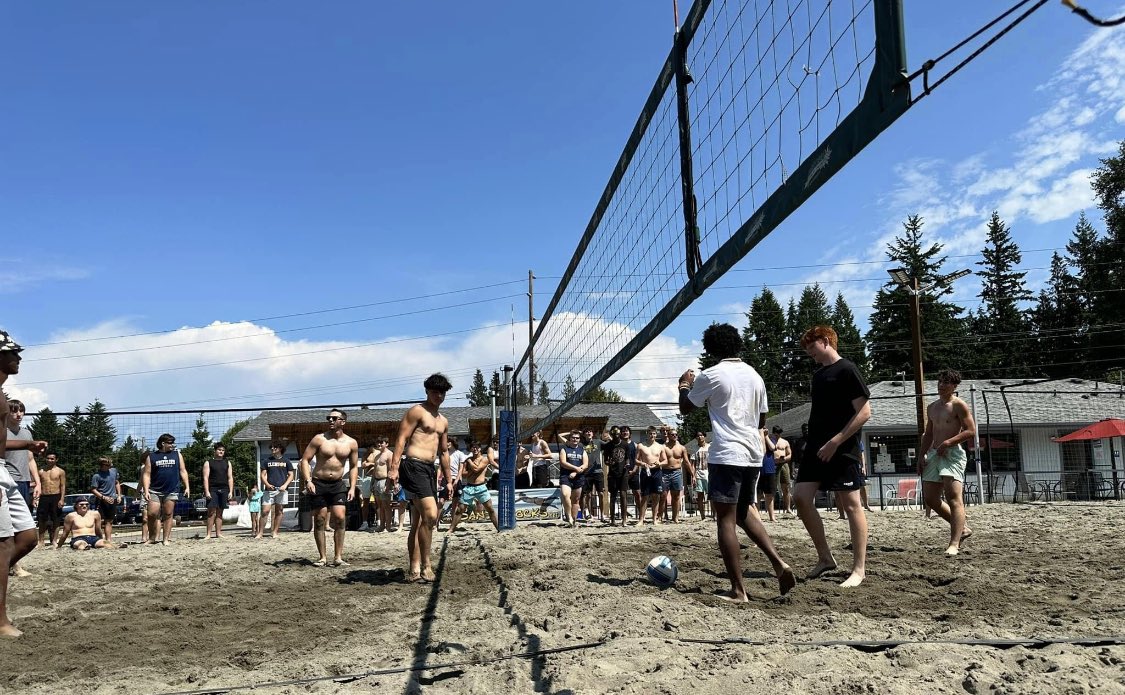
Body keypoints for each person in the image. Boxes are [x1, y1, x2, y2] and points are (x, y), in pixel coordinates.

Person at [679, 323, 794, 600]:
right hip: (752, 453)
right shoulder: (755, 376)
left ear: (710, 349)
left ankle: (738, 591)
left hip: (727, 453)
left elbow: (685, 408)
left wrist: (683, 385)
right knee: (742, 512)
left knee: (725, 520)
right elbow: (762, 419)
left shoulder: (711, 375)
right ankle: (779, 563)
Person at [794, 326, 872, 588]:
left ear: (826, 341)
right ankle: (825, 558)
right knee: (801, 497)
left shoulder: (847, 369)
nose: (809, 353)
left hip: (842, 448)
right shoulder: (818, 376)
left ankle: (859, 569)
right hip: (816, 447)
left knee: (851, 505)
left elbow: (864, 412)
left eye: (811, 347)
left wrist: (836, 441)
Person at [2, 331, 50, 638]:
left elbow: (3, 443)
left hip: (6, 474)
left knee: (28, 537)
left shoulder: (1, 395)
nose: (18, 357)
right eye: (12, 352)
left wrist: (27, 445)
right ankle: (0, 621)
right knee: (4, 542)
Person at [388, 373, 453, 584]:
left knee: (418, 521)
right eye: (435, 392)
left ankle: (414, 568)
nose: (439, 396)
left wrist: (449, 480)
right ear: (427, 391)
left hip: (429, 470)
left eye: (442, 393)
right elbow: (401, 438)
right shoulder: (417, 411)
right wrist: (394, 468)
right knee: (431, 515)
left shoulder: (443, 421)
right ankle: (426, 565)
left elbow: (444, 452)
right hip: (413, 466)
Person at [920, 369, 976, 556]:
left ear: (954, 386)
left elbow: (970, 431)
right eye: (940, 381)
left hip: (952, 454)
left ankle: (954, 543)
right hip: (935, 454)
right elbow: (928, 434)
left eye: (946, 382)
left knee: (953, 498)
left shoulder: (959, 405)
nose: (941, 385)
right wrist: (921, 455)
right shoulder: (932, 407)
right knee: (930, 498)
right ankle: (963, 528)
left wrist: (948, 443)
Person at [299, 409, 359, 567]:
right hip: (318, 483)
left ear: (343, 422)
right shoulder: (319, 439)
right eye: (329, 418)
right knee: (320, 519)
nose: (330, 420)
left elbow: (354, 466)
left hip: (337, 484)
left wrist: (352, 487)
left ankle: (338, 557)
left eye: (334, 418)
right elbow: (305, 460)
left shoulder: (351, 442)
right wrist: (308, 481)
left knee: (340, 518)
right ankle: (322, 558)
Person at [5, 398, 40, 577]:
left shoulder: (26, 433)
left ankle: (12, 564)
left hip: (24, 482)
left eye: (21, 411)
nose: (18, 414)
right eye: (14, 411)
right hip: (7, 481)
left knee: (22, 525)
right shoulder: (3, 432)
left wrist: (37, 481)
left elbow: (30, 459)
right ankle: (14, 566)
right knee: (9, 526)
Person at [141, 434, 190, 546]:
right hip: (154, 490)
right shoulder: (152, 456)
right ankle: (152, 538)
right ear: (163, 443)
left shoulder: (177, 454)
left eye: (173, 443)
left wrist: (187, 486)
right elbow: (146, 474)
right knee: (152, 514)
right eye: (170, 443)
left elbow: (183, 470)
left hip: (171, 489)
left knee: (168, 514)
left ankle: (166, 539)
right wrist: (146, 490)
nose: (172, 445)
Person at [448, 441, 499, 533]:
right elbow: (463, 474)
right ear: (471, 449)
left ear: (480, 448)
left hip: (481, 487)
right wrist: (472, 469)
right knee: (460, 509)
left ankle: (499, 528)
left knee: (490, 509)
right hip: (469, 487)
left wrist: (469, 462)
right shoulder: (468, 459)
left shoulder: (484, 459)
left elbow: (477, 469)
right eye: (473, 447)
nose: (475, 449)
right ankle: (451, 529)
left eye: (477, 447)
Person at [259, 441, 294, 539]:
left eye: (275, 447)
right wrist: (267, 484)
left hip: (282, 490)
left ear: (280, 449)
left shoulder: (286, 461)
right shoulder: (266, 461)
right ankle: (260, 533)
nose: (272, 449)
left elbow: (291, 475)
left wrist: (285, 485)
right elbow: (262, 475)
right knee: (265, 511)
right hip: (269, 490)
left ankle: (275, 532)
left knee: (279, 511)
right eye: (271, 447)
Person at [202, 443, 235, 540]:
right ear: (215, 450)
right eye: (219, 450)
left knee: (220, 511)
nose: (221, 452)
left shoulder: (227, 462)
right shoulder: (208, 462)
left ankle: (218, 533)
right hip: (213, 489)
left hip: (224, 489)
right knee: (211, 511)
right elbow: (205, 478)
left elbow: (230, 478)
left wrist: (230, 491)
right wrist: (207, 491)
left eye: (223, 450)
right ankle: (208, 534)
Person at [557, 430, 587, 527]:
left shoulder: (582, 450)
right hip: (565, 476)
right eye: (573, 437)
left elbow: (585, 464)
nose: (575, 439)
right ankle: (569, 516)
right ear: (570, 438)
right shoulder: (565, 449)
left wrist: (576, 472)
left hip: (578, 476)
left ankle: (573, 521)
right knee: (565, 495)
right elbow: (563, 462)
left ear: (579, 439)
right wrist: (575, 468)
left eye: (577, 438)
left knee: (576, 499)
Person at [635, 426, 665, 525]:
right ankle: (641, 519)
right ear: (647, 434)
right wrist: (642, 464)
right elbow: (636, 460)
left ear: (656, 434)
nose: (652, 435)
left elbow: (665, 460)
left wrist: (659, 463)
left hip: (657, 471)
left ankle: (654, 519)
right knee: (644, 496)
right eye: (650, 433)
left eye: (654, 433)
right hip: (645, 471)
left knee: (656, 495)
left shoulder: (660, 446)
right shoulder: (641, 445)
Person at [89, 456, 121, 546]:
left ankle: (108, 540)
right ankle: (98, 539)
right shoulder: (97, 476)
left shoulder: (113, 471)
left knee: (109, 520)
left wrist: (119, 495)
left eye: (110, 464)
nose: (109, 466)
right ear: (102, 465)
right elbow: (93, 489)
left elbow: (117, 482)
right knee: (99, 521)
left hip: (112, 499)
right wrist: (103, 497)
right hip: (101, 500)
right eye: (107, 465)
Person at [37, 451, 66, 549]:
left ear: (56, 459)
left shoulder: (60, 471)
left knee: (56, 520)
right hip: (44, 496)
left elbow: (63, 485)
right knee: (42, 520)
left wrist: (62, 499)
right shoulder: (41, 471)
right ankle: (41, 541)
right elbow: (38, 485)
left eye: (52, 458)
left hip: (56, 496)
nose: (50, 460)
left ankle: (54, 540)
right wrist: (36, 497)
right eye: (48, 458)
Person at [365, 437, 395, 532]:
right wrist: (372, 483)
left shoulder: (389, 454)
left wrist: (388, 484)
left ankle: (388, 526)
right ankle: (382, 525)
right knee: (380, 505)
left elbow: (390, 470)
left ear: (386, 444)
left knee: (386, 505)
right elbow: (375, 471)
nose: (379, 444)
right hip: (377, 481)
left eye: (381, 442)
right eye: (378, 443)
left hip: (384, 481)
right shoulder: (377, 456)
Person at [602, 427, 630, 526]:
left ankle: (624, 519)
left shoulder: (625, 444)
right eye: (614, 435)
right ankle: (612, 519)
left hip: (623, 473)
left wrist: (627, 464)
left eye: (617, 435)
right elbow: (605, 460)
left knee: (623, 495)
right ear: (612, 435)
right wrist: (609, 463)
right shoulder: (608, 446)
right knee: (613, 496)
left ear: (620, 435)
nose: (616, 437)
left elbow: (627, 458)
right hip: (612, 473)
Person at [663, 429, 690, 524]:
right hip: (665, 472)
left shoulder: (682, 448)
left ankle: (675, 517)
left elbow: (686, 462)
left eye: (676, 434)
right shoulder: (663, 447)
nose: (674, 436)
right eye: (672, 434)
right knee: (663, 495)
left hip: (677, 472)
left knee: (676, 496)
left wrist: (692, 474)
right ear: (668, 436)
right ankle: (662, 516)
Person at [580, 428, 603, 523]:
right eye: (586, 431)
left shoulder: (598, 442)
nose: (588, 433)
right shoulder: (581, 444)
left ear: (593, 433)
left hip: (598, 471)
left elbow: (610, 446)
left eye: (590, 431)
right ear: (583, 434)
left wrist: (609, 437)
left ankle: (602, 515)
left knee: (601, 493)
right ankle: (589, 514)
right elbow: (566, 442)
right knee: (587, 495)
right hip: (586, 472)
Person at [771, 427, 794, 517]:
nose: (777, 435)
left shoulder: (785, 442)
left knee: (786, 487)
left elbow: (790, 455)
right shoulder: (770, 441)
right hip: (773, 464)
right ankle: (772, 510)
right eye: (776, 433)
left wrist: (784, 459)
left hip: (783, 464)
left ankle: (788, 508)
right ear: (773, 433)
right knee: (773, 488)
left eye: (779, 433)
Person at [758, 428, 778, 522]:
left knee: (769, 494)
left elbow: (772, 448)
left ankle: (772, 516)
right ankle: (757, 516)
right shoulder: (755, 438)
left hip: (769, 470)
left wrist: (765, 436)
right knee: (758, 494)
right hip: (758, 469)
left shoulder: (771, 438)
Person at [692, 432, 710, 521]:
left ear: (705, 436)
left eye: (701, 435)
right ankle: (703, 516)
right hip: (699, 473)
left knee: (712, 495)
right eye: (698, 436)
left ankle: (714, 515)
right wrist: (693, 476)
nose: (700, 437)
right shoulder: (695, 449)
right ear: (696, 438)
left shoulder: (710, 447)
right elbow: (692, 464)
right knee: (700, 495)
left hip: (709, 473)